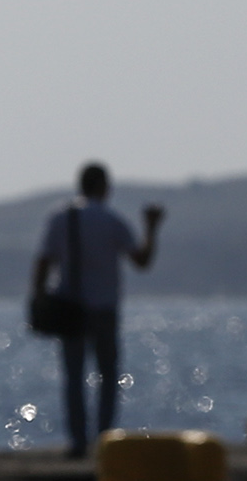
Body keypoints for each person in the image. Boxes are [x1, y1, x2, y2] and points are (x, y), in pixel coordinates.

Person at [32, 162, 163, 456]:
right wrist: (151, 229)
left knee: (74, 379)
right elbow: (141, 261)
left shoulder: (59, 217)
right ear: (104, 187)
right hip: (104, 308)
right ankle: (104, 439)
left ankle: (78, 441)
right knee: (107, 377)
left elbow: (43, 261)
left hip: (70, 308)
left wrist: (39, 298)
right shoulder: (110, 220)